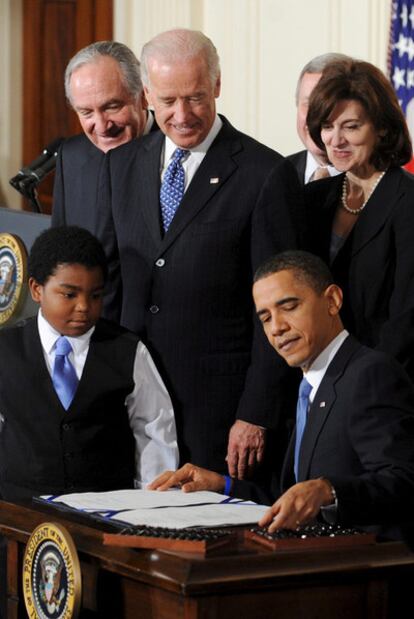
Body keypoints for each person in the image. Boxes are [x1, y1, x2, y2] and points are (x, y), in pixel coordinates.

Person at [99, 28, 305, 480]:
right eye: (168, 101)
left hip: (219, 413)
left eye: (195, 97)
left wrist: (256, 414)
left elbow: (280, 307)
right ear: (147, 94)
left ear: (216, 85)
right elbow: (112, 285)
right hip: (129, 403)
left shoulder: (263, 174)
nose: (182, 115)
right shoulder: (121, 164)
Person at [150, 251, 414, 540]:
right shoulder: (306, 386)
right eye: (265, 317)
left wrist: (329, 490)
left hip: (366, 570)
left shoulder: (370, 373)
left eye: (289, 307)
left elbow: (403, 482)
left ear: (332, 300)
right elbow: (290, 498)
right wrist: (222, 485)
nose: (277, 328)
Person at [0, 226, 178, 503]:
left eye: (95, 295)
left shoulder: (128, 350)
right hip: (19, 514)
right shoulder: (6, 349)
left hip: (106, 513)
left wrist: (152, 506)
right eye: (69, 295)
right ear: (36, 289)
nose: (84, 306)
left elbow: (154, 431)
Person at [305, 57, 414, 382]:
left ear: (381, 127)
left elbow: (407, 319)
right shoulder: (314, 198)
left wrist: (363, 384)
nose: (336, 140)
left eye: (351, 126)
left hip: (384, 387)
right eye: (327, 126)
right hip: (317, 377)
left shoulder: (407, 200)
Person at [52, 41, 157, 233]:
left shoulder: (177, 152)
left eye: (112, 107)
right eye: (86, 112)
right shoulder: (71, 156)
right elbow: (63, 246)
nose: (101, 126)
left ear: (143, 96)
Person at [287, 53, 348, 184]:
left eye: (328, 105)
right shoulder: (275, 174)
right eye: (308, 104)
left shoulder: (378, 183)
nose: (315, 117)